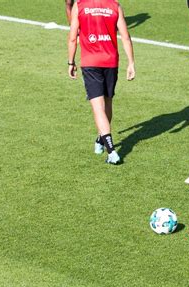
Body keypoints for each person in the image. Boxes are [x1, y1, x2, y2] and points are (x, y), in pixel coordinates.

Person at [68, 0, 136, 164]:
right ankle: (101, 139)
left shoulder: (80, 5)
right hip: (111, 61)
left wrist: (70, 62)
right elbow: (126, 37)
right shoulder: (115, 6)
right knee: (107, 102)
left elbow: (72, 38)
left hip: (90, 62)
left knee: (98, 107)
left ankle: (112, 151)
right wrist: (131, 62)